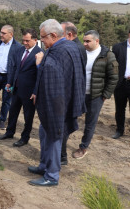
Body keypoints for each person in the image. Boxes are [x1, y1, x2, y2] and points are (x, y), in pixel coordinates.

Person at [28, 19, 85, 187]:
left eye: (43, 38)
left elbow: (55, 82)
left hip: (56, 106)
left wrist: (39, 65)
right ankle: (44, 166)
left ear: (53, 35)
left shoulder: (59, 52)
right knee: (45, 134)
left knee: (53, 137)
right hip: (59, 103)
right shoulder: (69, 47)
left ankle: (51, 176)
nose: (42, 42)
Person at [71, 30, 118, 159]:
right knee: (70, 117)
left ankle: (83, 147)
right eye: (84, 41)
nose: (84, 43)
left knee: (90, 123)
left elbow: (114, 77)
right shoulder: (80, 52)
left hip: (95, 96)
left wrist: (105, 95)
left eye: (88, 41)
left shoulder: (108, 55)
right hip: (78, 93)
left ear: (97, 41)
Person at [0, 29, 43, 147]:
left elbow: (40, 76)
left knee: (28, 116)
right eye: (23, 40)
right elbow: (15, 68)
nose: (25, 43)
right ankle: (9, 132)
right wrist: (10, 82)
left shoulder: (40, 53)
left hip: (29, 92)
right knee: (13, 112)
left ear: (35, 40)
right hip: (16, 89)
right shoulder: (20, 50)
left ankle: (24, 138)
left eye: (27, 41)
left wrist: (35, 91)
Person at [60, 21, 87, 165]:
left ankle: (62, 157)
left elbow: (76, 75)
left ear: (69, 35)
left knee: (64, 127)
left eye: (60, 33)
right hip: (69, 94)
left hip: (69, 95)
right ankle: (61, 155)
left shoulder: (76, 48)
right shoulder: (74, 46)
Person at [112, 28, 130, 139]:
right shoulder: (118, 47)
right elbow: (113, 65)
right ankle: (119, 130)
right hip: (121, 83)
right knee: (119, 109)